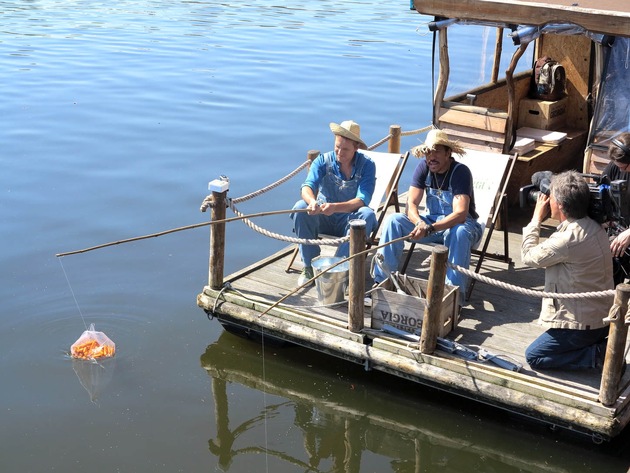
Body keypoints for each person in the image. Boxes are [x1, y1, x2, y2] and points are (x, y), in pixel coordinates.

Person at [522, 170, 614, 370]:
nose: (548, 201)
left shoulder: (567, 239)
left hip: (583, 327)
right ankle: (600, 346)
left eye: (551, 198)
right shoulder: (595, 226)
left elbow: (528, 257)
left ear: (561, 205)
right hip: (601, 319)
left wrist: (536, 219)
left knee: (534, 356)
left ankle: (596, 356)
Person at [371, 129, 482, 295]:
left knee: (458, 233)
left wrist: (430, 229)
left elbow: (461, 213)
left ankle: (453, 296)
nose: (431, 156)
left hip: (463, 225)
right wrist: (419, 223)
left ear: (448, 153)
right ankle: (382, 281)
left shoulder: (460, 172)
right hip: (432, 223)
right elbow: (411, 203)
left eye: (437, 151)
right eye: (428, 151)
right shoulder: (423, 167)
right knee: (394, 220)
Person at [291, 120, 377, 286]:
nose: (339, 152)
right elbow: (306, 188)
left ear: (356, 148)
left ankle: (338, 268)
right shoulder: (322, 161)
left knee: (367, 215)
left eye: (345, 149)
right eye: (337, 147)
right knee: (300, 208)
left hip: (348, 220)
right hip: (323, 216)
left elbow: (362, 200)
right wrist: (312, 202)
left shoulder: (367, 165)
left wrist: (336, 208)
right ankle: (309, 266)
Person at [601, 132, 630, 284]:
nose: (621, 171)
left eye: (624, 167)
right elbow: (602, 192)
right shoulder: (616, 166)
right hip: (619, 226)